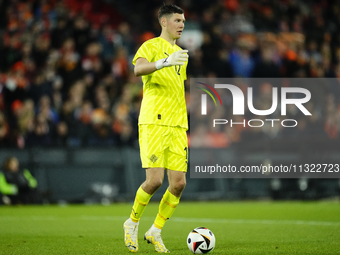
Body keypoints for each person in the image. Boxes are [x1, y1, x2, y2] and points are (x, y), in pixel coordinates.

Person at [123, 4, 189, 253]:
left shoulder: (182, 55)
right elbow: (138, 69)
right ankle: (132, 222)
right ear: (164, 22)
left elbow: (176, 88)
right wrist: (164, 62)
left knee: (179, 183)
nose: (181, 24)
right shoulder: (149, 46)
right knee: (154, 181)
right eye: (177, 20)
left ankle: (155, 231)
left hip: (178, 124)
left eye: (183, 20)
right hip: (154, 121)